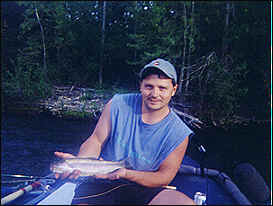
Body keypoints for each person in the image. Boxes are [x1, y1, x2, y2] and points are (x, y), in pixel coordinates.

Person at [54, 58, 196, 205]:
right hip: (101, 180)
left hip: (143, 185)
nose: (154, 94)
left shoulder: (179, 133)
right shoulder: (118, 104)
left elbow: (164, 177)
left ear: (173, 90)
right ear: (140, 86)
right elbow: (96, 140)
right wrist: (80, 163)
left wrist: (126, 173)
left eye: (162, 88)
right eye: (149, 86)